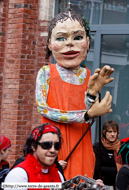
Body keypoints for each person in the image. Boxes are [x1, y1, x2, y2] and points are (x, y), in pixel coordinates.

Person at [36, 10, 114, 179]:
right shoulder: (46, 72)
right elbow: (43, 109)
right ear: (49, 43)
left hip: (81, 143)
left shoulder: (87, 74)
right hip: (53, 143)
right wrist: (84, 115)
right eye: (61, 38)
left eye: (77, 37)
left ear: (87, 41)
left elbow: (91, 113)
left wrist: (92, 95)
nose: (69, 43)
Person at [4, 123, 105, 190]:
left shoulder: (58, 174)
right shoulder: (18, 175)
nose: (52, 150)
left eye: (57, 145)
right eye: (46, 145)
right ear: (33, 146)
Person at [93, 120, 121, 190]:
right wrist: (116, 170)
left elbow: (124, 170)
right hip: (99, 185)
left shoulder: (121, 147)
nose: (112, 134)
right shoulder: (97, 147)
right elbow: (96, 169)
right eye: (110, 131)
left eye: (115, 131)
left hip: (117, 185)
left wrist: (104, 169)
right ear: (104, 133)